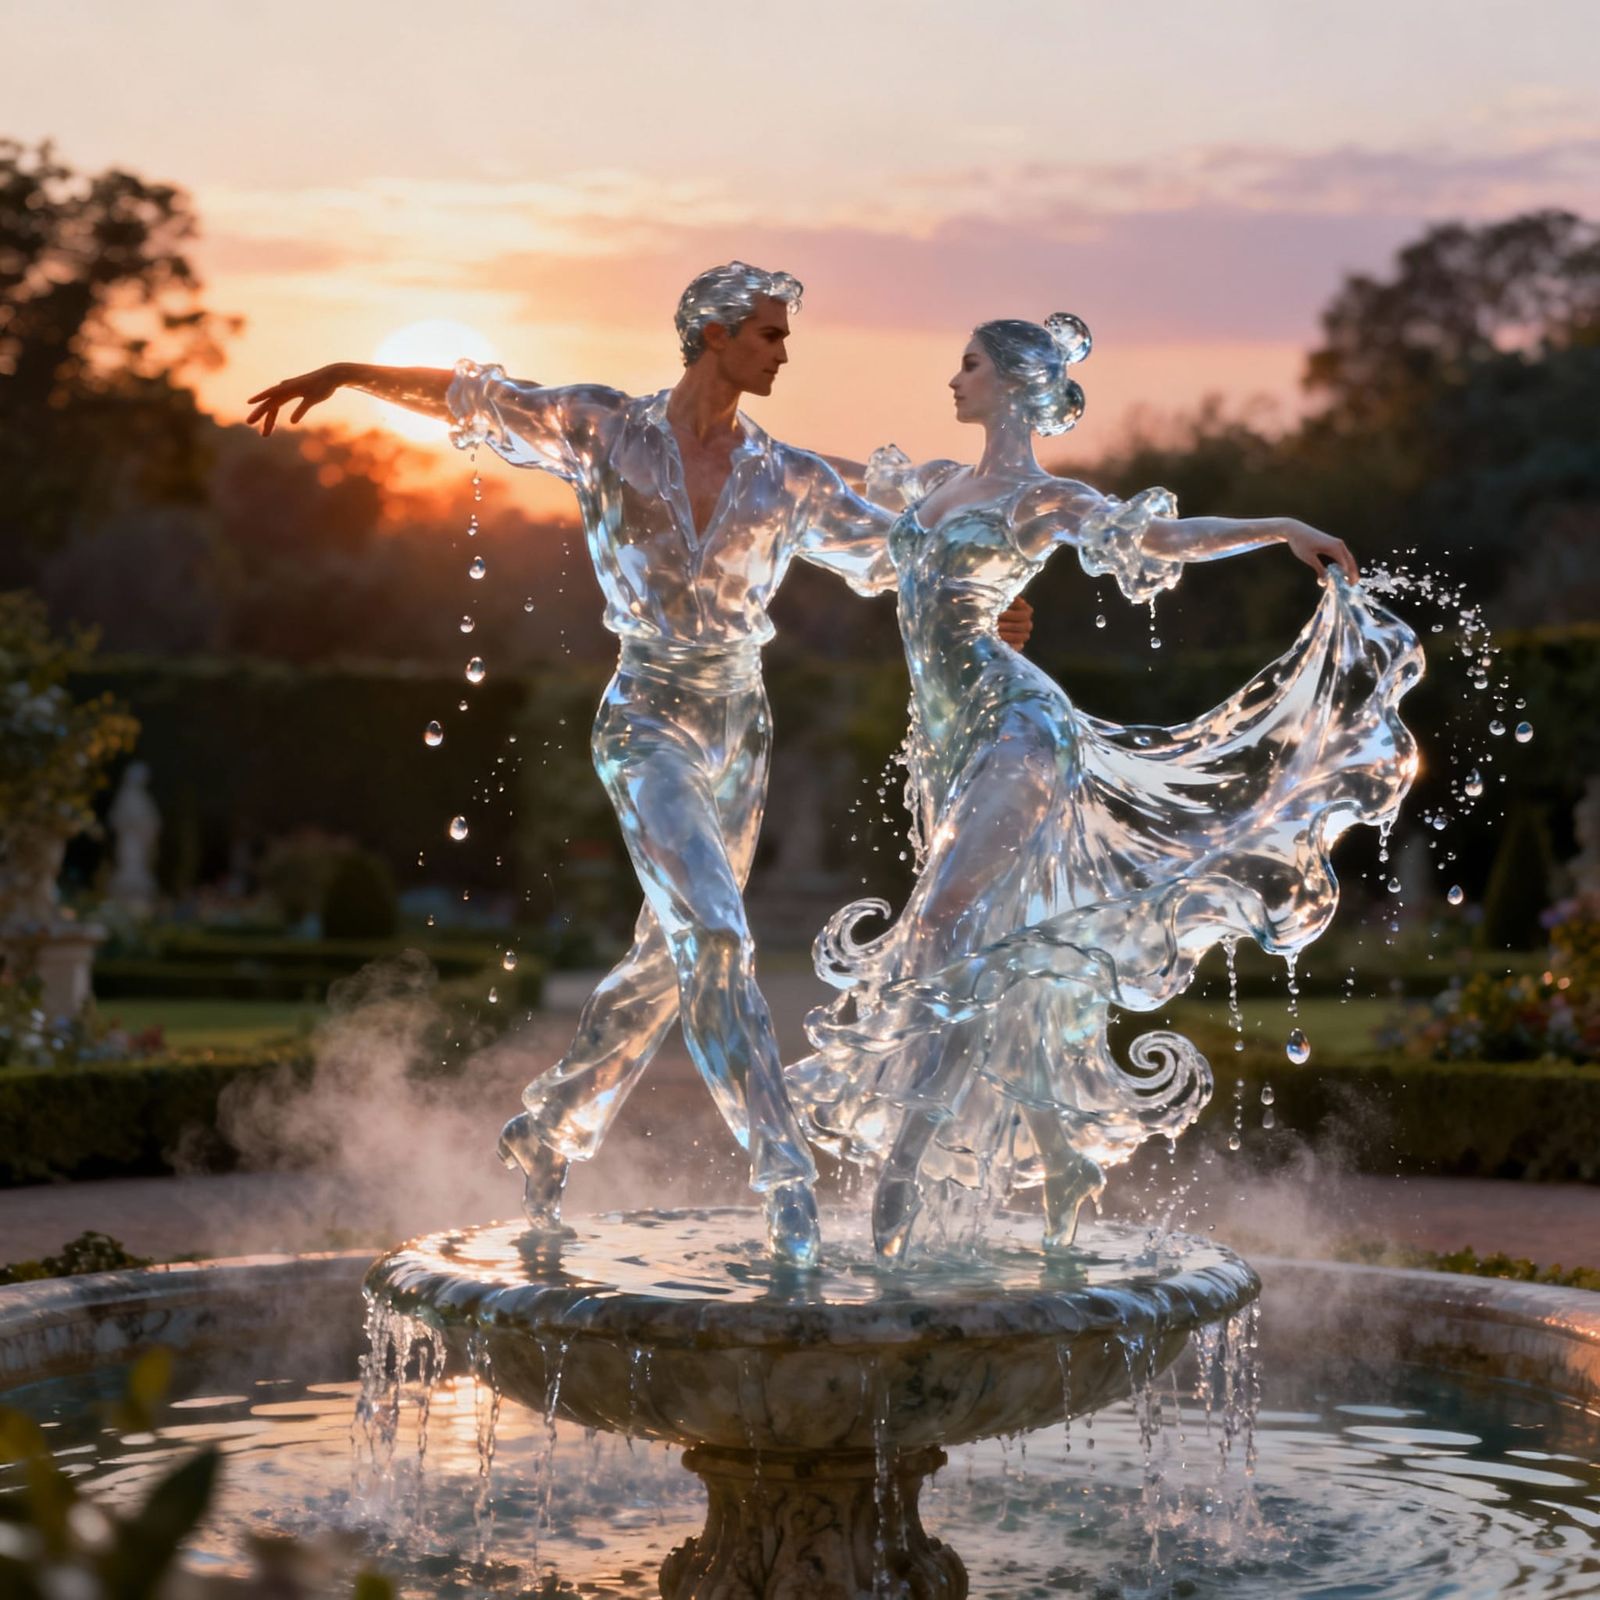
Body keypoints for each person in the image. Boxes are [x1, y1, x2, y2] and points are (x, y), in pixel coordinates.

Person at [244, 263, 1033, 1269]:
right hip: (645, 719)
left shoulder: (786, 475)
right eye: (769, 334)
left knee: (668, 961)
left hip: (739, 730)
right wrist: (351, 370)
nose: (785, 350)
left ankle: (550, 1125)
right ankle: (784, 1174)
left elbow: (908, 557)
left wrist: (985, 604)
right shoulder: (604, 429)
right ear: (714, 336)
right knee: (713, 939)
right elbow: (477, 397)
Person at [791, 313, 1420, 1262]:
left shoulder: (1041, 500)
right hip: (947, 748)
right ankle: (1062, 1158)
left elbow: (1158, 536)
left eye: (966, 366)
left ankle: (905, 1164)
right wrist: (731, 436)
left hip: (1020, 732)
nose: (950, 381)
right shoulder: (930, 486)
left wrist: (1278, 528)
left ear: (1009, 382)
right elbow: (821, 472)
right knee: (1002, 962)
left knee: (946, 929)